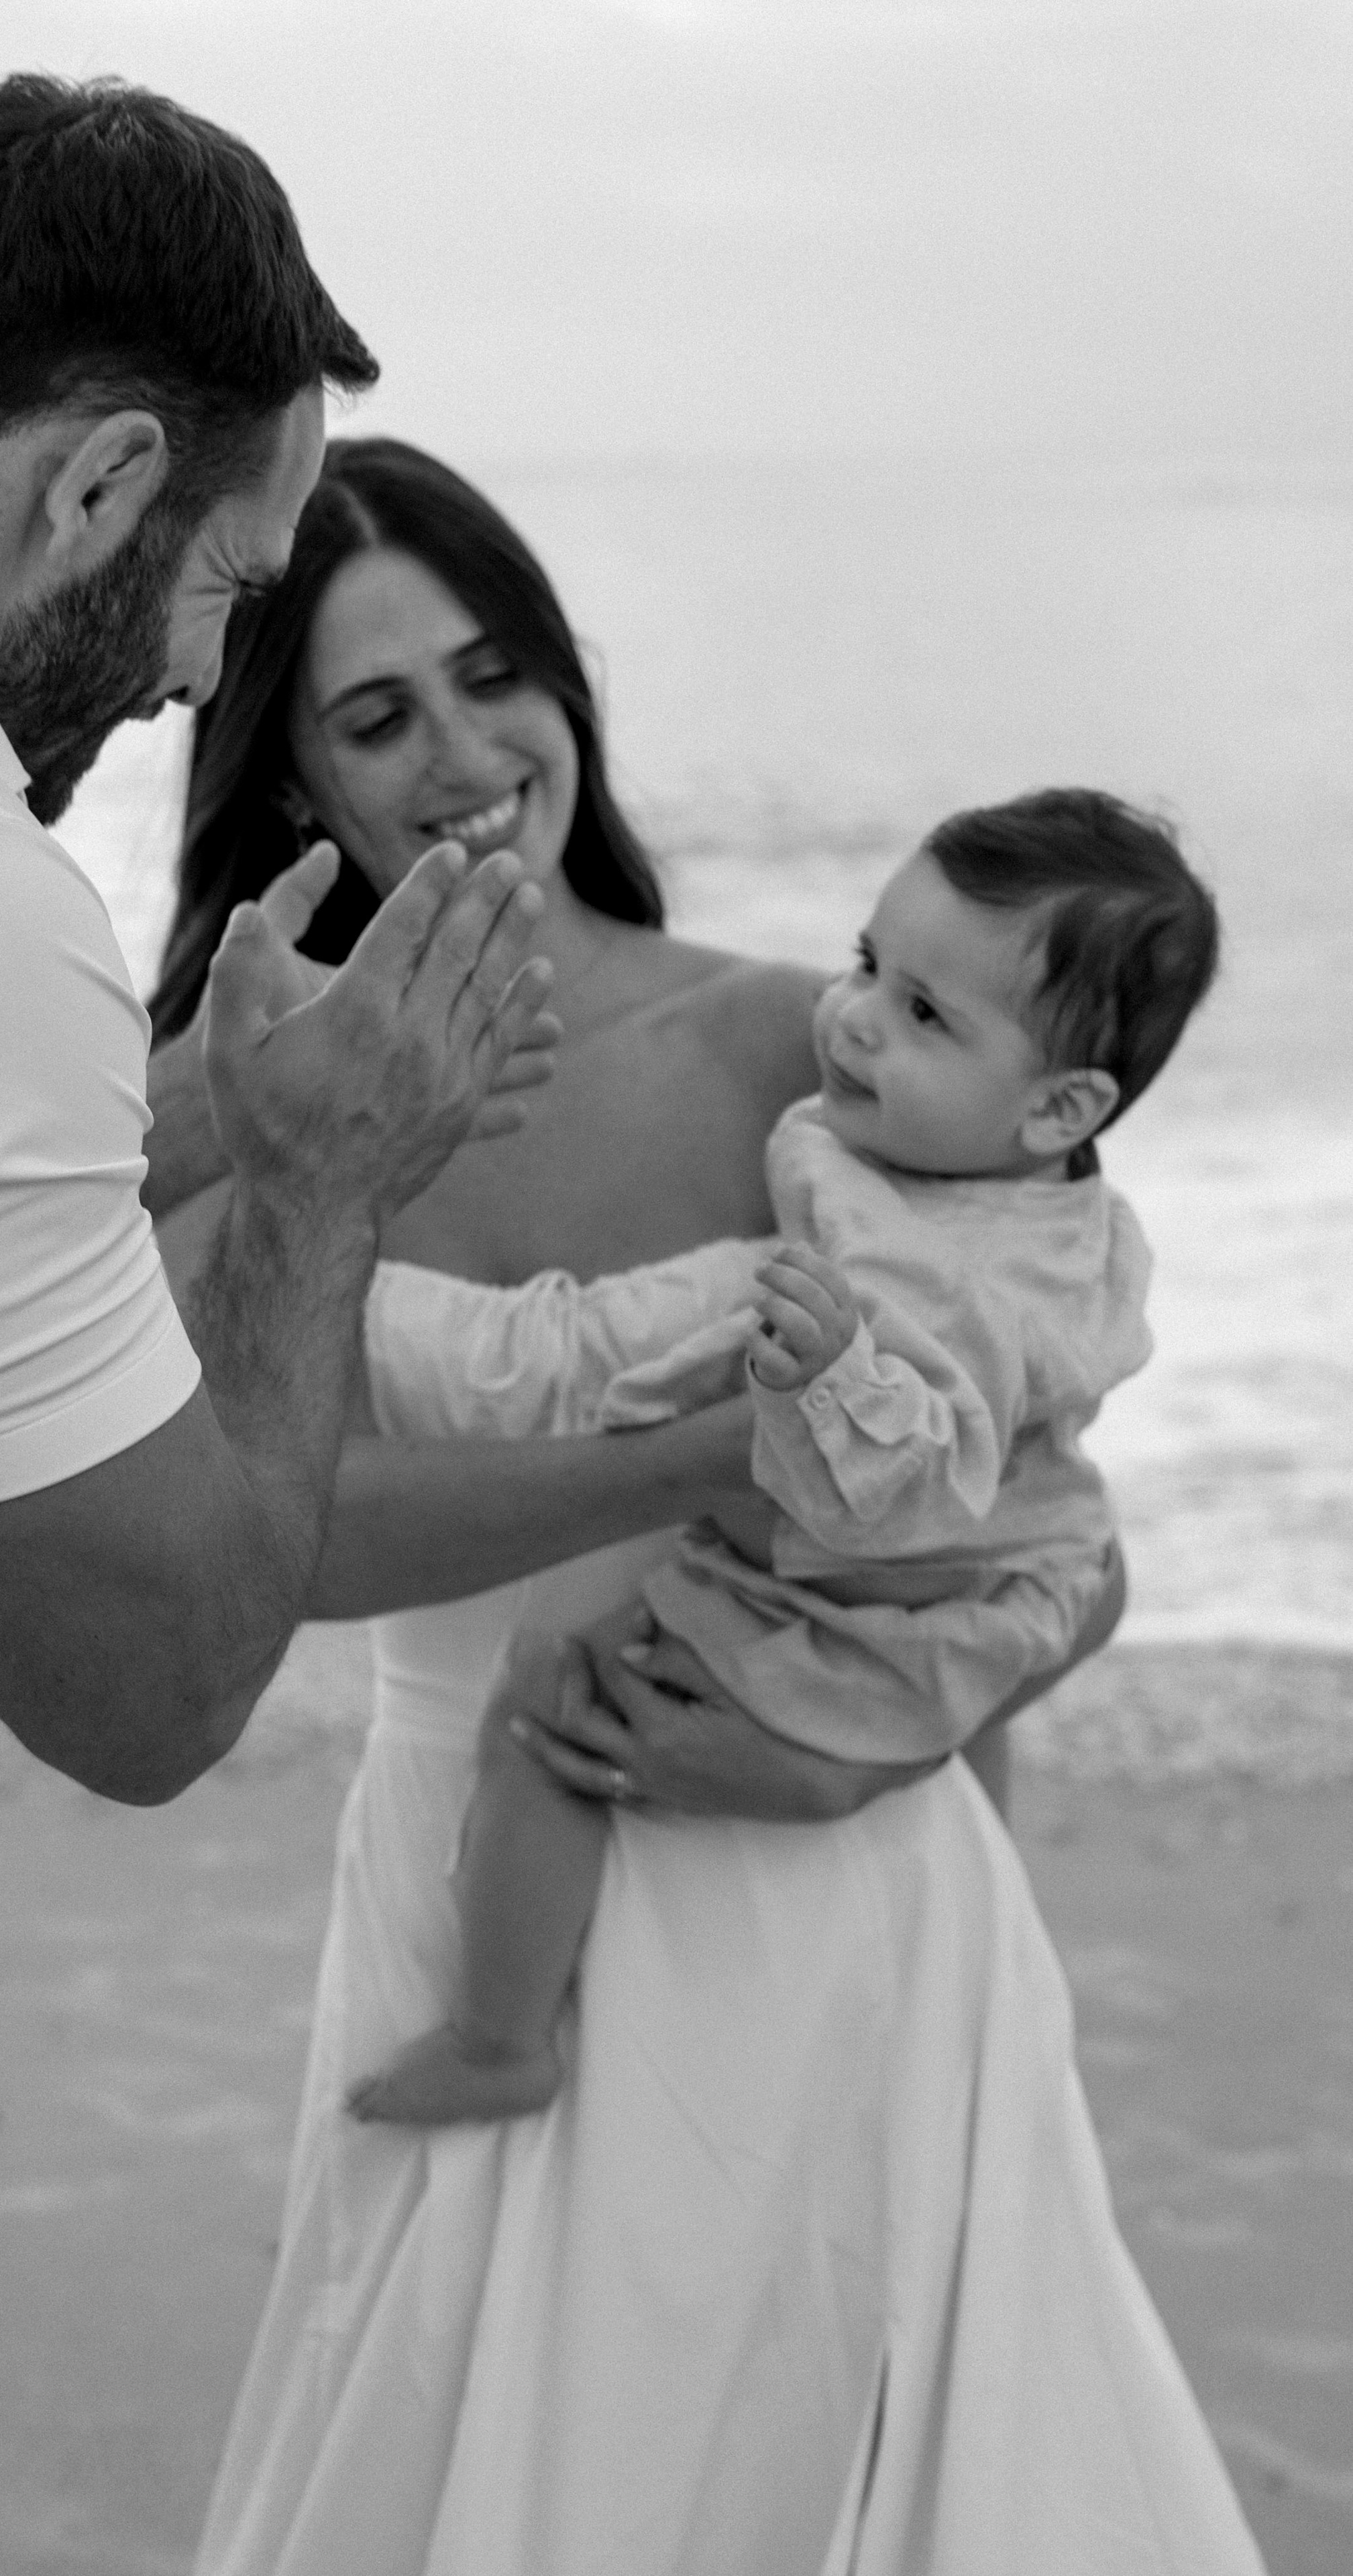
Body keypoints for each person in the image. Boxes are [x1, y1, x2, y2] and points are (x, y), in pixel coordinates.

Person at [155, 439, 1266, 2573]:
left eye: (497, 675)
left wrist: (888, 1774)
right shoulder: (252, 1108)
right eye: (378, 715)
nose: (465, 752)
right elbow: (266, 1545)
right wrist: (686, 1465)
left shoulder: (805, 1053)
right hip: (480, 1861)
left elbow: (1044, 1517)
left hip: (832, 1874)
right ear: (289, 773)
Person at [0, 81, 565, 2573]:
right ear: (98, 484)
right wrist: (327, 1179)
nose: (192, 678)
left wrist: (182, 1121)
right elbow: (149, 1682)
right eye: (227, 586)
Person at [350, 789, 1220, 2128]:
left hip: (847, 1609)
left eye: (923, 1013)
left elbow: (922, 1464)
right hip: (949, 1598)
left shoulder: (913, 1269)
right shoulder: (1023, 1199)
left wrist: (834, 1375)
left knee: (544, 1710)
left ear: (1061, 1105)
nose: (855, 1016)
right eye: (868, 962)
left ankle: (499, 2037)